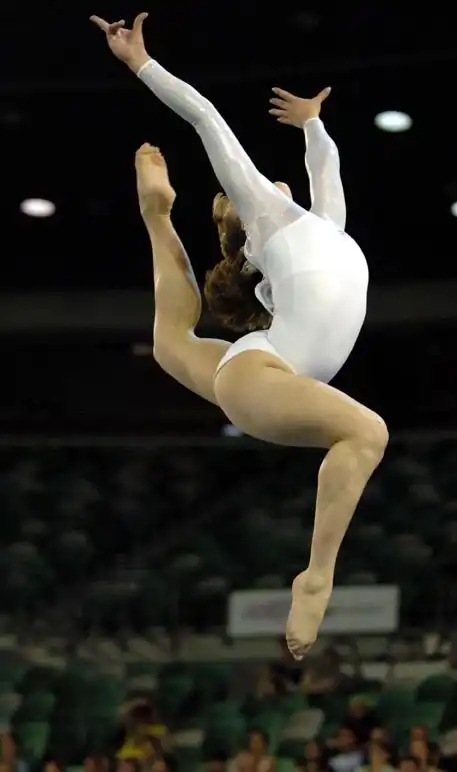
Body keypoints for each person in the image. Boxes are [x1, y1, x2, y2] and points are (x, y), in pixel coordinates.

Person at [91, 12, 388, 659]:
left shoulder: (325, 225)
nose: (260, 183)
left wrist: (312, 122)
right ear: (245, 229)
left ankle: (156, 215)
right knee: (367, 432)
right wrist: (141, 64)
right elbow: (206, 118)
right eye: (240, 194)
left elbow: (327, 167)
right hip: (264, 375)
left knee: (172, 343)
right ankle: (315, 578)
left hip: (266, 375)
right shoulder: (265, 218)